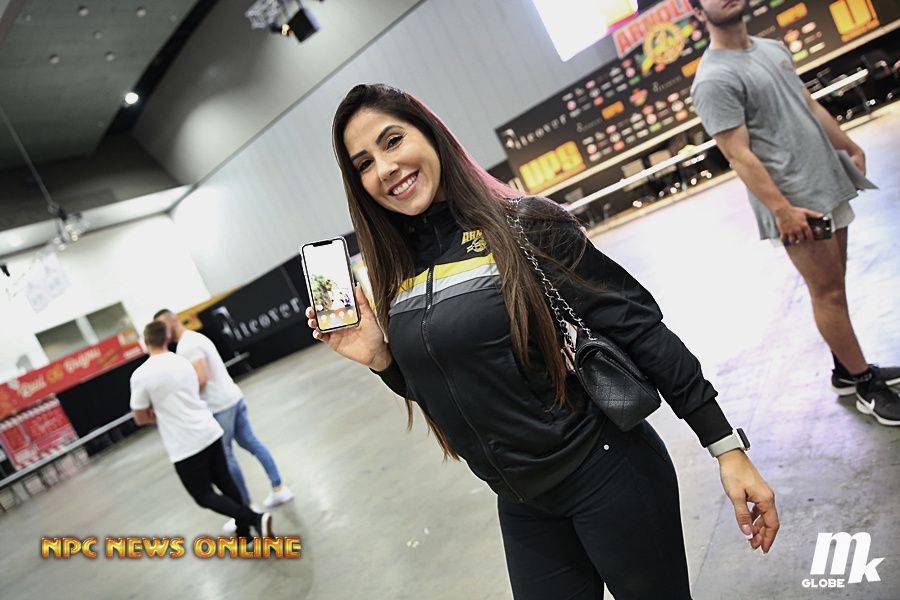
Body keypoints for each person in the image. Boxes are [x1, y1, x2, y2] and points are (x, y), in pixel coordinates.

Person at [305, 83, 779, 599]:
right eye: (364, 163)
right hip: (523, 504)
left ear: (431, 134)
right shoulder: (398, 274)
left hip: (608, 474)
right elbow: (454, 387)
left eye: (393, 141)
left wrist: (726, 448)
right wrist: (382, 360)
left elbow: (639, 328)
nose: (385, 168)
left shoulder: (525, 225)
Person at [688, 0, 900, 427]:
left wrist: (847, 144)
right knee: (828, 293)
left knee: (836, 283)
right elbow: (738, 154)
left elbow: (809, 105)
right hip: (795, 199)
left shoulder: (772, 49)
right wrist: (782, 210)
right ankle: (864, 384)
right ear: (697, 12)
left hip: (825, 180)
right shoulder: (713, 78)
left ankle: (845, 369)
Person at [129, 320, 273, 539]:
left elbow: (139, 417)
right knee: (225, 482)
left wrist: (158, 414)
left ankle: (254, 519)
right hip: (208, 429)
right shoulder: (182, 361)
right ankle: (245, 535)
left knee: (203, 495)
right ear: (167, 338)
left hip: (185, 444)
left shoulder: (141, 375)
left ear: (145, 341)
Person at [154, 309, 293, 527]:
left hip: (220, 406)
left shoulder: (187, 346)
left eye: (163, 326)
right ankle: (279, 488)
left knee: (227, 457)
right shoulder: (195, 339)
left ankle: (246, 508)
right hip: (233, 397)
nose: (163, 332)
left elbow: (201, 378)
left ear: (173, 321)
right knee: (251, 442)